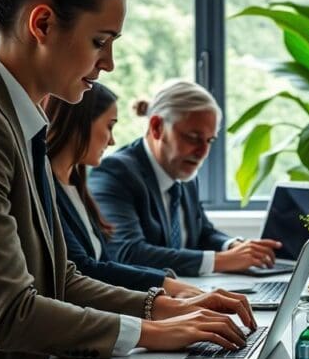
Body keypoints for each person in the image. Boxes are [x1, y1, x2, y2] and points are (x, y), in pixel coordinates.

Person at [0, 0, 257, 359]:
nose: (107, 65)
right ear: (42, 23)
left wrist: (166, 306)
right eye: (99, 41)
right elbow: (11, 314)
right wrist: (154, 333)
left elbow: (60, 279)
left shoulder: (25, 121)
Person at [89, 80, 281, 276]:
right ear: (157, 127)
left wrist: (234, 246)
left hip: (188, 294)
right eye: (193, 137)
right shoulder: (114, 173)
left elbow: (202, 233)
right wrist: (221, 260)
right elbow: (127, 253)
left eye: (209, 140)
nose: (203, 152)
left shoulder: (184, 171)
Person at [45, 82, 202, 296]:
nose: (112, 141)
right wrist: (165, 284)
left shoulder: (76, 185)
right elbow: (83, 269)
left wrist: (166, 280)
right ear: (80, 122)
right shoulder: (46, 187)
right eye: (109, 126)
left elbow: (104, 262)